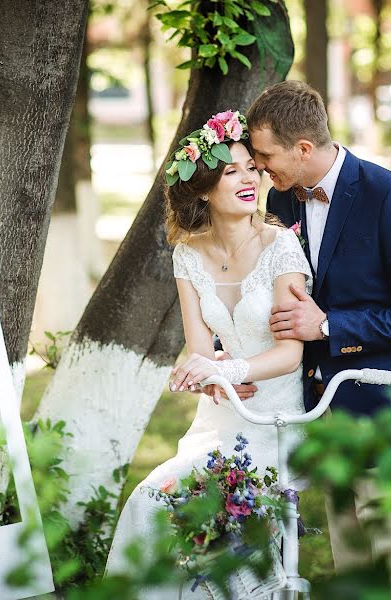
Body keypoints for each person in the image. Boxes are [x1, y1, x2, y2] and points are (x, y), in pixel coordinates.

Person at [245, 80, 391, 589]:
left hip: (388, 414)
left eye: (267, 155)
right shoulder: (283, 200)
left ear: (304, 148)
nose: (260, 167)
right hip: (325, 416)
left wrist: (331, 326)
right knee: (352, 567)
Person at [105, 109, 313, 598]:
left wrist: (232, 367)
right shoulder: (188, 255)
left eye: (250, 167)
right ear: (202, 189)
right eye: (230, 171)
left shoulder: (282, 247)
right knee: (152, 500)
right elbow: (199, 350)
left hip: (277, 421)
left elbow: (289, 354)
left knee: (224, 518)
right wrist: (209, 373)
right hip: (220, 420)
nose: (248, 179)